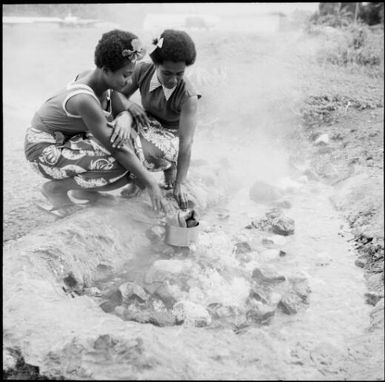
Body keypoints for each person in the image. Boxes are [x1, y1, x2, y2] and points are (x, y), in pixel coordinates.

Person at [24, 29, 169, 217]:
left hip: (67, 142)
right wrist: (150, 183)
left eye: (131, 74)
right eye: (125, 75)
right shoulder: (84, 99)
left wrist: (125, 116)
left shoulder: (103, 84)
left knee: (137, 152)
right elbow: (118, 148)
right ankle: (56, 189)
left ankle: (84, 190)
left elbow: (121, 106)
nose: (129, 81)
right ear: (106, 70)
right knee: (121, 164)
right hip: (43, 150)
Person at [111, 29, 201, 210]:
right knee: (114, 134)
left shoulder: (188, 96)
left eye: (180, 73)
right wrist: (128, 110)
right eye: (167, 73)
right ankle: (139, 179)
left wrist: (180, 183)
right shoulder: (142, 70)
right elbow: (116, 93)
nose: (174, 80)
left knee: (148, 152)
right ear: (156, 64)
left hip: (170, 135)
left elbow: (187, 143)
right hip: (147, 121)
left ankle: (168, 168)